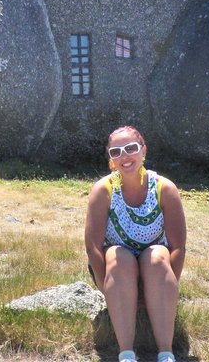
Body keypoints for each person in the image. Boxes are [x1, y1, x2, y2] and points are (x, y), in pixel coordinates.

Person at [84, 126, 186, 362]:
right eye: (116, 152)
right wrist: (104, 287)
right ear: (111, 159)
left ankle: (165, 352)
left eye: (131, 148)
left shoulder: (164, 188)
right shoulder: (103, 190)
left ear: (143, 151)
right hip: (117, 269)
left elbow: (178, 246)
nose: (125, 157)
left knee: (157, 255)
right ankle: (127, 353)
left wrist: (169, 284)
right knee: (119, 256)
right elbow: (93, 247)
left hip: (156, 265)